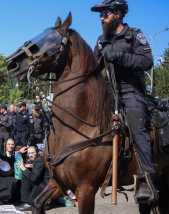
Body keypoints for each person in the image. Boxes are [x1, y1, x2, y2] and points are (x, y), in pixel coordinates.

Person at [91, 0, 156, 202]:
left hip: (131, 92)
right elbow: (93, 70)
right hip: (108, 94)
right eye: (100, 14)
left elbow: (147, 61)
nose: (101, 18)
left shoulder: (134, 35)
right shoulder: (101, 40)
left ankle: (146, 178)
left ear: (118, 14)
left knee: (137, 126)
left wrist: (120, 56)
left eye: (105, 14)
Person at [16, 146, 50, 211]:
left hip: (45, 186)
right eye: (28, 153)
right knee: (25, 176)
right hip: (41, 183)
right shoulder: (37, 160)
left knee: (25, 176)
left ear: (37, 153)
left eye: (32, 153)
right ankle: (26, 202)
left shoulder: (39, 160)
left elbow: (33, 178)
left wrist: (24, 169)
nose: (30, 155)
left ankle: (29, 203)